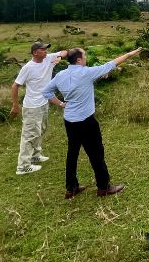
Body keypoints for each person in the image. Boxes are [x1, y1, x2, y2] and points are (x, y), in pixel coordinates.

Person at [42, 46, 143, 198]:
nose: (86, 58)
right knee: (96, 153)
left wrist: (62, 104)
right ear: (78, 59)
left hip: (69, 121)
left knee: (72, 153)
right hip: (86, 121)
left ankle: (71, 188)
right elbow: (112, 64)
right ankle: (103, 187)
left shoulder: (61, 75)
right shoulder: (86, 73)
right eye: (84, 56)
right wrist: (130, 54)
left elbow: (46, 92)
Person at [12, 41, 68, 175]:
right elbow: (15, 86)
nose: (46, 51)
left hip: (44, 102)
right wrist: (15, 105)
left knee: (41, 129)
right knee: (29, 134)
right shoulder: (28, 68)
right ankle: (23, 166)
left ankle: (35, 155)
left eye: (46, 49)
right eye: (43, 50)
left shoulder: (48, 59)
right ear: (35, 52)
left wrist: (59, 58)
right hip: (32, 106)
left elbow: (65, 52)